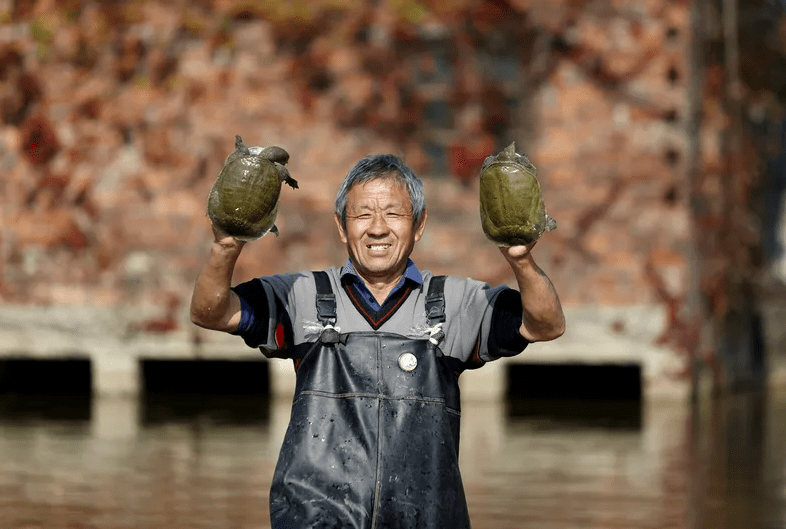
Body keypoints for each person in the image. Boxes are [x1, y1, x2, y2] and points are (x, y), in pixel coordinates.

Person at [190, 153, 565, 529]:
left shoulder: (453, 304)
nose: (378, 228)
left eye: (394, 214)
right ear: (341, 226)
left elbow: (544, 325)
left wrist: (521, 259)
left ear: (418, 226)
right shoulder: (301, 296)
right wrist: (226, 245)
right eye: (363, 214)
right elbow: (211, 312)